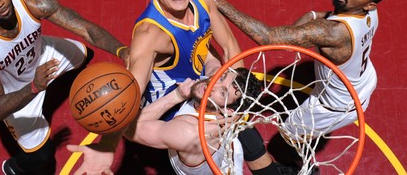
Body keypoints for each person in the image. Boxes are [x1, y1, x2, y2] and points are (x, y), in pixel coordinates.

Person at [68, 0, 243, 174]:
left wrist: (236, 100)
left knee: (245, 136)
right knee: (201, 150)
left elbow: (231, 47)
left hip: (198, 77)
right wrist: (108, 144)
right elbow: (129, 95)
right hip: (172, 97)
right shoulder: (151, 34)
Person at [0, 0, 129, 175]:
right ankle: (14, 168)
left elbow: (86, 29)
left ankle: (49, 88)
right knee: (42, 156)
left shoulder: (32, 1)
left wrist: (122, 50)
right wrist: (33, 87)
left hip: (43, 56)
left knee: (85, 54)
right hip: (16, 89)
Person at [208, 0, 391, 137]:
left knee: (289, 134)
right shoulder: (370, 15)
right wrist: (312, 16)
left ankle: (302, 167)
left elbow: (268, 37)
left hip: (336, 105)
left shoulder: (335, 33)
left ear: (369, 4)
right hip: (363, 80)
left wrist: (216, 0)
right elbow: (329, 19)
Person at [69, 69, 295, 175]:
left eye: (224, 91)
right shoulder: (227, 111)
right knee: (247, 132)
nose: (214, 84)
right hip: (227, 159)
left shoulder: (187, 132)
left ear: (228, 109)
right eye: (222, 76)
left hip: (202, 153)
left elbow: (129, 130)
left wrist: (176, 96)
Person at [128, 0, 242, 108]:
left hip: (198, 82)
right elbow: (133, 91)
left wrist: (237, 97)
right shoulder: (150, 33)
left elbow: (229, 44)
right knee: (196, 134)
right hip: (169, 102)